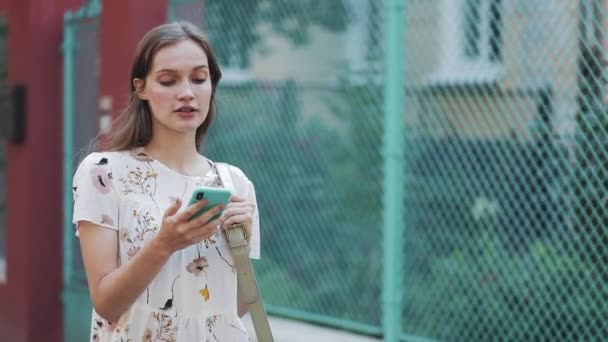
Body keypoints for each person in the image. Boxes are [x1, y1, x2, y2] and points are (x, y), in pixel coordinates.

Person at [72, 21, 260, 341]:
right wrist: (164, 244)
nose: (186, 93)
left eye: (199, 78)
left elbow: (234, 309)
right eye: (168, 81)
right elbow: (106, 303)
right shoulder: (104, 172)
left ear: (212, 85)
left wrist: (243, 237)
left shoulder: (234, 183)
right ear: (141, 88)